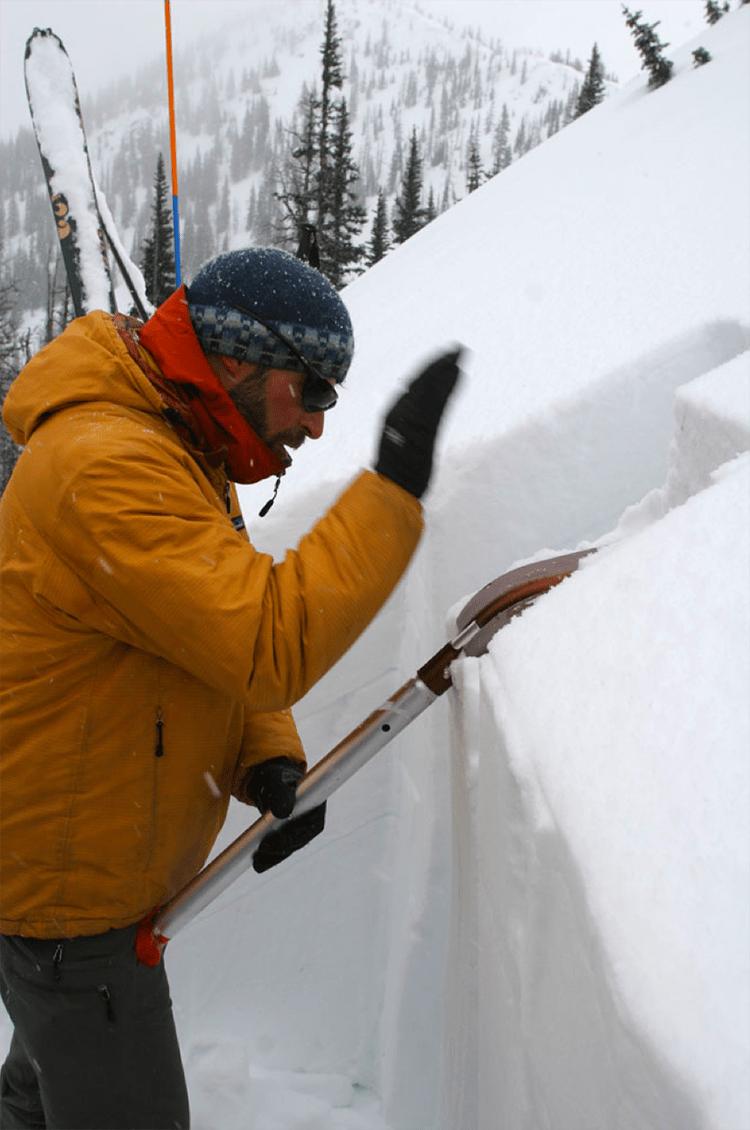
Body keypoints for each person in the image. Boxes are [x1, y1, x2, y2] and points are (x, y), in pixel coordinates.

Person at [0, 246, 461, 1129]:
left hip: (85, 868)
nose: (319, 424)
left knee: (46, 1070)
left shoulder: (173, 447)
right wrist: (393, 484)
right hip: (71, 897)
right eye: (314, 389)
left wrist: (267, 755)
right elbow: (261, 639)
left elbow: (197, 635)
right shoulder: (110, 466)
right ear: (239, 357)